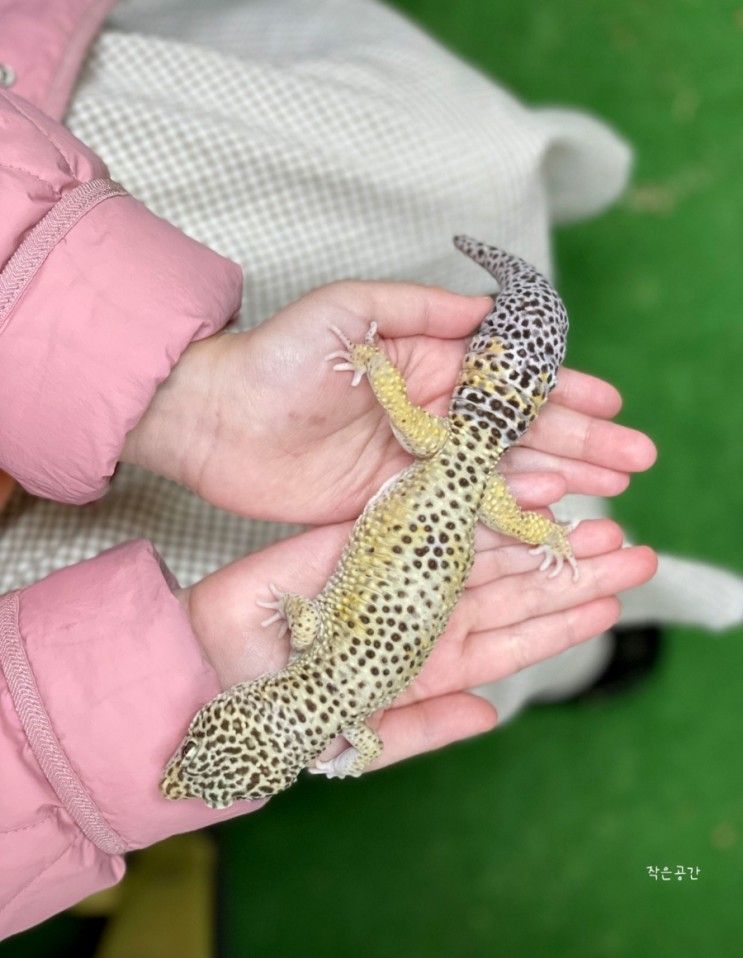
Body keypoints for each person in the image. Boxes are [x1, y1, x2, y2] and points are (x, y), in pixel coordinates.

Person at [0, 0, 659, 939]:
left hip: (453, 493)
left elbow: (337, 675)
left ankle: (572, 611)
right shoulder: (309, 658)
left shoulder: (347, 715)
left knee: (536, 553)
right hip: (450, 486)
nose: (182, 751)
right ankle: (574, 615)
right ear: (251, 719)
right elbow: (311, 617)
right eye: (206, 743)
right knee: (534, 560)